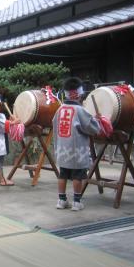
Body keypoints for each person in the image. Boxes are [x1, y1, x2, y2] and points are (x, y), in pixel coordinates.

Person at [52, 77, 101, 211]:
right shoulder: (80, 110)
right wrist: (98, 121)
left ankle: (61, 200)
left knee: (62, 175)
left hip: (62, 149)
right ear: (79, 94)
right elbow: (93, 128)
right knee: (77, 176)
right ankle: (76, 202)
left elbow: (54, 125)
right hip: (76, 151)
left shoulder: (60, 109)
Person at [0, 93, 24, 186]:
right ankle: (3, 180)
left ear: (0, 104)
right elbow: (4, 124)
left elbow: (6, 126)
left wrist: (11, 121)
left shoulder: (2, 115)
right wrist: (14, 122)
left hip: (1, 139)